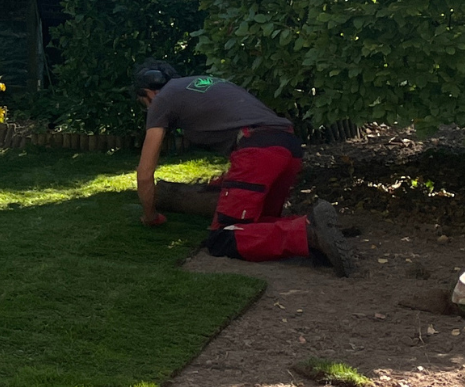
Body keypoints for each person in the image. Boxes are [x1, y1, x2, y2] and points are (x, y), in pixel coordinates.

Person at [132, 60, 352, 275]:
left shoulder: (162, 99)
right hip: (288, 146)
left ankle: (307, 232)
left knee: (222, 239)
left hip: (258, 150)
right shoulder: (202, 84)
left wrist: (150, 216)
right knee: (252, 224)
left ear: (149, 93)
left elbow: (144, 173)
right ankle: (320, 232)